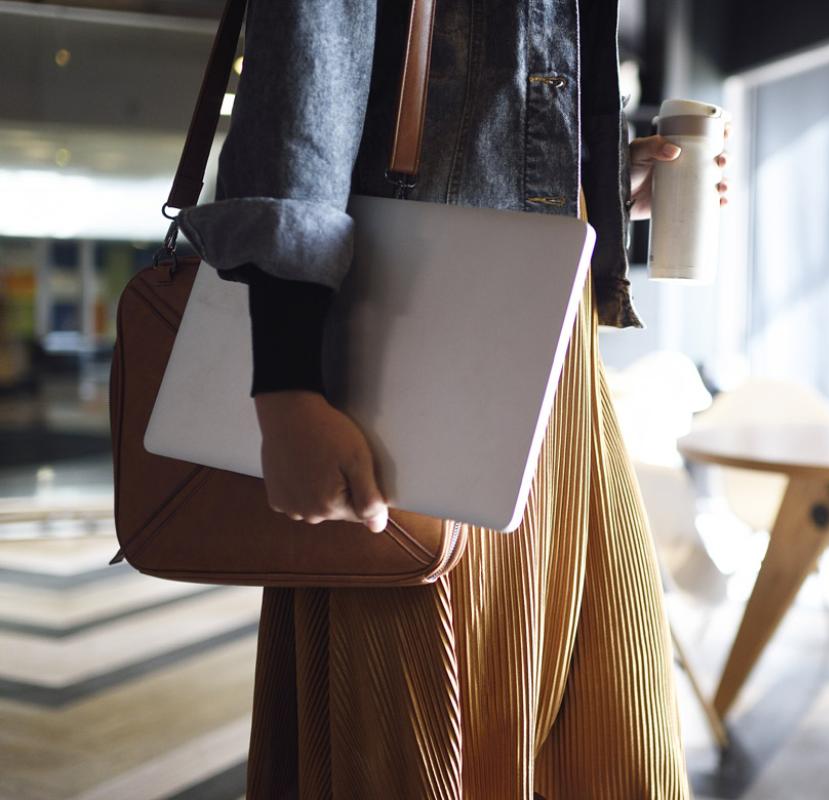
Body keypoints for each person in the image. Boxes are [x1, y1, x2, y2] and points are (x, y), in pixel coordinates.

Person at [177, 0, 730, 796]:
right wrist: (289, 381)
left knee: (617, 744)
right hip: (417, 340)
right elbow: (305, 80)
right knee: (425, 744)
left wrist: (602, 179)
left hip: (550, 341)